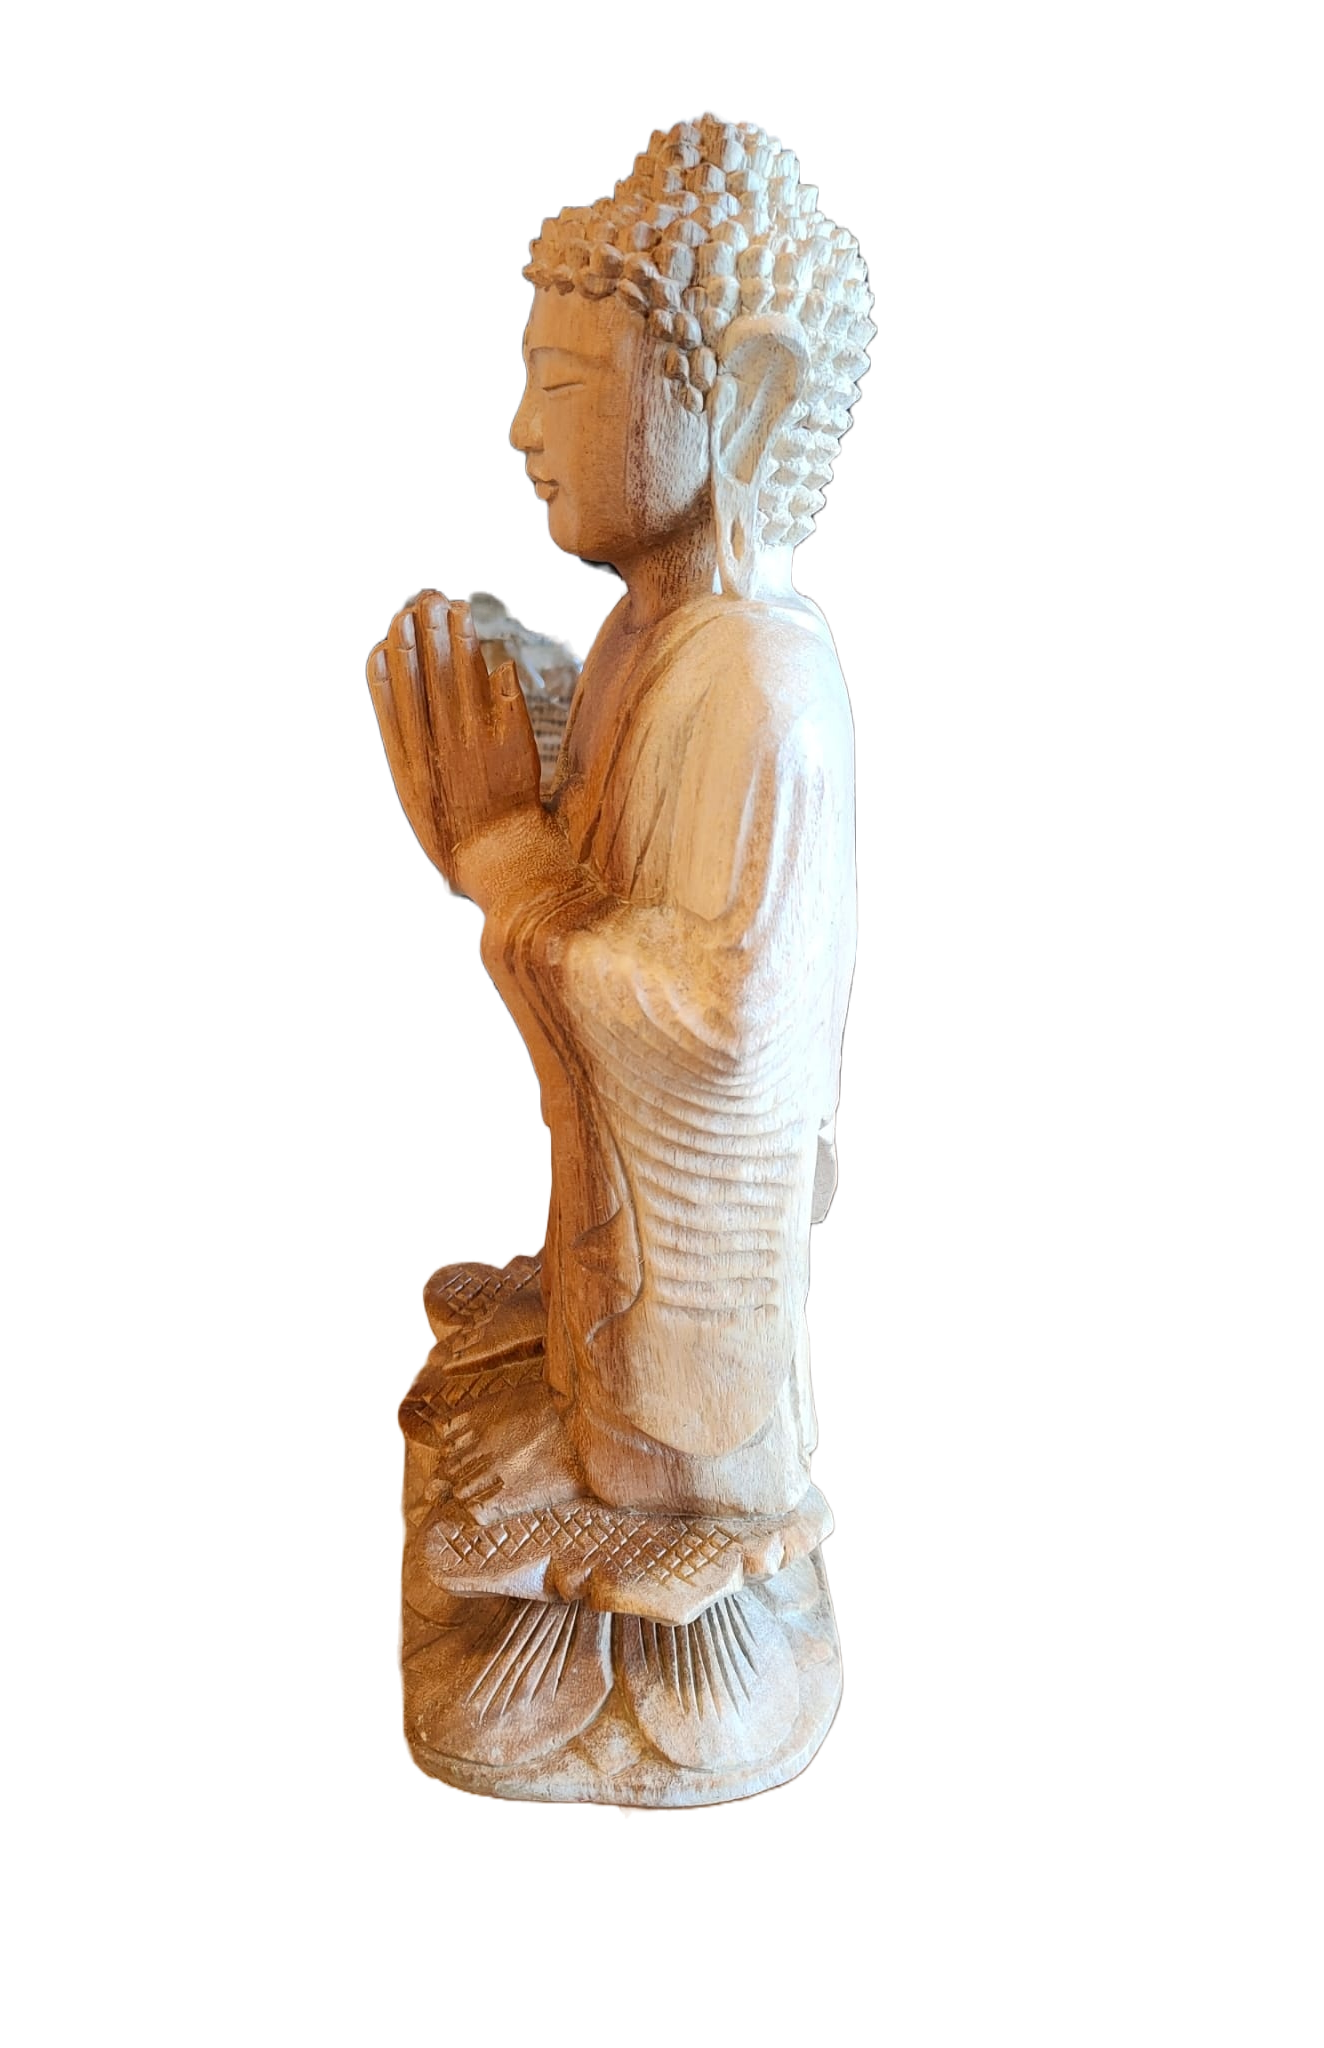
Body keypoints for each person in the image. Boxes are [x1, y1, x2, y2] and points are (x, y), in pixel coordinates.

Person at [370, 114, 871, 1528]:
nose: (524, 431)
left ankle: (662, 1472)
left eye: (566, 386)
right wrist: (530, 728)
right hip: (608, 1253)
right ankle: (583, 1367)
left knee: (547, 1591)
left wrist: (506, 855)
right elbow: (611, 870)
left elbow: (721, 1035)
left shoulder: (762, 682)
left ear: (747, 401)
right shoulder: (649, 635)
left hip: (695, 1350)